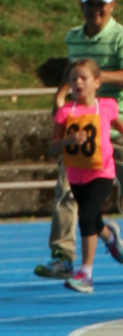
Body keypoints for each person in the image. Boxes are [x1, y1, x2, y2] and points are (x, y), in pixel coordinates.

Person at [36, 0, 123, 279]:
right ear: (81, 6)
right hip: (79, 128)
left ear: (112, 6)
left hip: (114, 121)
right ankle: (63, 254)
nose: (95, 10)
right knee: (66, 191)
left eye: (101, 4)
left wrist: (92, 74)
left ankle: (108, 237)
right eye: (90, 4)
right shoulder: (73, 37)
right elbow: (70, 73)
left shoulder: (120, 37)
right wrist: (62, 95)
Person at [50, 59, 123, 294]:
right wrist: (68, 141)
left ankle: (86, 274)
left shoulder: (107, 106)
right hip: (76, 174)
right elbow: (52, 147)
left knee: (86, 216)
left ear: (97, 82)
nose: (78, 82)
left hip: (102, 170)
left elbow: (120, 127)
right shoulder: (66, 112)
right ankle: (109, 236)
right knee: (92, 219)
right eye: (73, 79)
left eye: (83, 78)